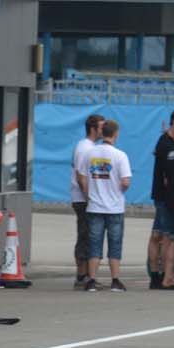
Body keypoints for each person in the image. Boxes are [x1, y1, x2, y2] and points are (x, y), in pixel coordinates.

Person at [77, 117, 132, 292]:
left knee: (94, 243)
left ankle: (91, 279)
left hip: (94, 206)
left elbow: (82, 178)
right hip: (114, 207)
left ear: (103, 133)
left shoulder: (89, 153)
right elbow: (125, 182)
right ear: (115, 134)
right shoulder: (120, 155)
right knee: (115, 243)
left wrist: (89, 194)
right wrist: (118, 190)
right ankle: (115, 280)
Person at [148, 108, 174, 289]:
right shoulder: (165, 143)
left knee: (166, 237)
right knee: (160, 236)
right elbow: (166, 176)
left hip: (169, 197)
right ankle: (156, 275)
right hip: (164, 197)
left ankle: (163, 275)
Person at [70, 113, 102, 289]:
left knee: (87, 234)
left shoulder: (86, 147)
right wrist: (91, 198)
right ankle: (82, 275)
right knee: (85, 235)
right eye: (101, 126)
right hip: (83, 199)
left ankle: (85, 274)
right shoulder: (85, 149)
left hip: (83, 198)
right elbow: (81, 176)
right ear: (93, 128)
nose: (103, 130)